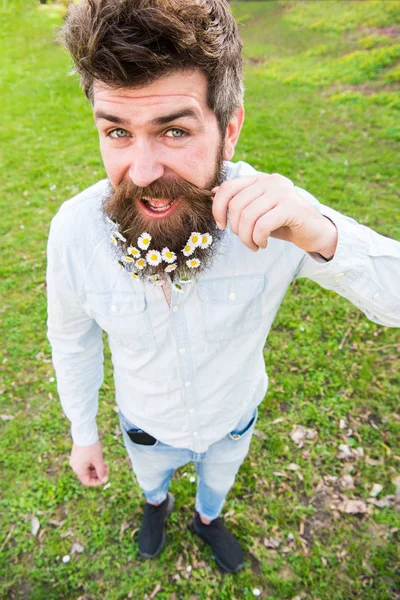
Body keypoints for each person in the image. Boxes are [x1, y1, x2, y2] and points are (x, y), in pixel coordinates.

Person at [47, 0, 400, 574]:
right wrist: (83, 433)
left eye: (175, 130)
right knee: (152, 483)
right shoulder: (73, 232)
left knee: (217, 486)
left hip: (233, 423)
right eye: (117, 131)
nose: (140, 172)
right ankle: (155, 507)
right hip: (145, 430)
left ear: (229, 128)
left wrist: (324, 234)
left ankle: (208, 520)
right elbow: (71, 339)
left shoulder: (280, 218)